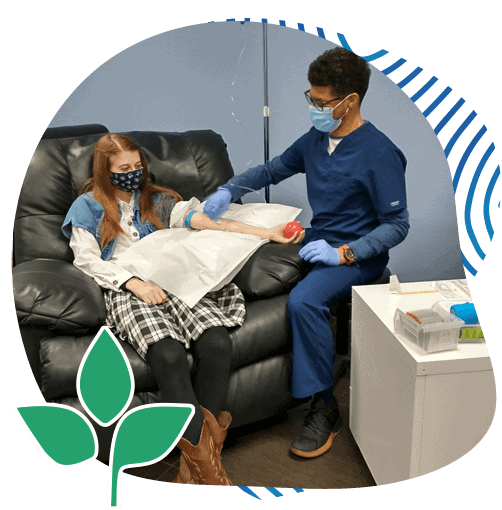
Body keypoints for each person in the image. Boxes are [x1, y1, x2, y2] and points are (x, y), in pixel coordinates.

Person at [61, 133, 304, 486]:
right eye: (123, 169)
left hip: (173, 279)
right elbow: (85, 260)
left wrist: (267, 232)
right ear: (105, 172)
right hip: (127, 288)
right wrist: (135, 284)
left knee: (218, 343)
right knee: (170, 355)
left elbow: (207, 221)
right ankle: (211, 474)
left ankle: (196, 466)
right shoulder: (88, 206)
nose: (133, 174)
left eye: (137, 166)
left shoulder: (156, 200)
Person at [203, 47, 410, 459]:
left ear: (350, 101)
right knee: (247, 263)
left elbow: (397, 226)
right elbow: (272, 169)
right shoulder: (316, 140)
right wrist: (230, 189)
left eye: (322, 102)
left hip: (357, 253)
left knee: (303, 300)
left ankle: (325, 409)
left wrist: (346, 253)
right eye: (310, 99)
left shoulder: (379, 152)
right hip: (319, 236)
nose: (314, 108)